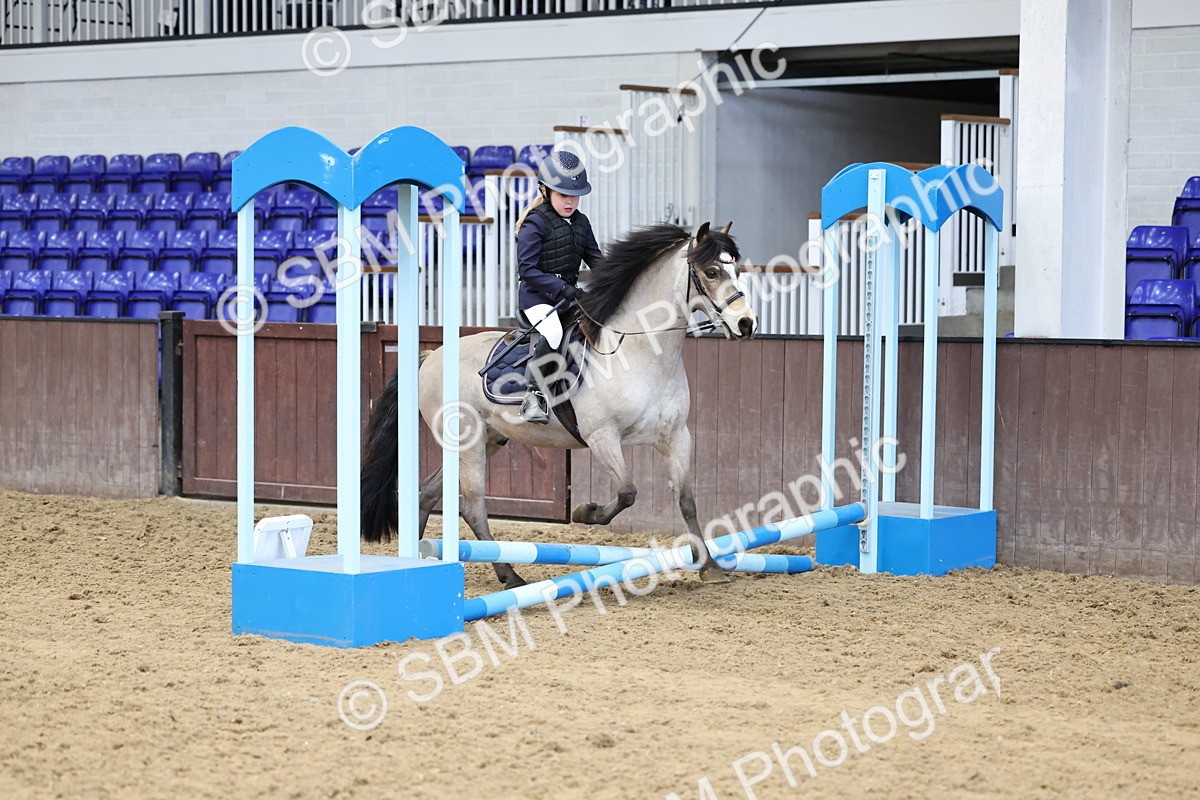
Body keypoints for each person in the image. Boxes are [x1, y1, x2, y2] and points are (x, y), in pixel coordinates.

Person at [512, 150, 603, 424]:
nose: (570, 201)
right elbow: (527, 270)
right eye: (563, 195)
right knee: (553, 333)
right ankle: (533, 396)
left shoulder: (582, 223)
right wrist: (562, 289)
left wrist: (620, 280)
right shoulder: (535, 222)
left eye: (574, 196)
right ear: (545, 190)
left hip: (569, 298)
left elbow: (596, 260)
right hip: (537, 300)